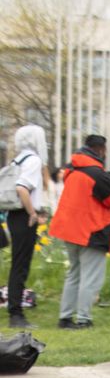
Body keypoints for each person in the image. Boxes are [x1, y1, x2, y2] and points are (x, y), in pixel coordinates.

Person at [48, 135, 110, 329]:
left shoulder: (73, 169)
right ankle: (84, 319)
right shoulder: (97, 173)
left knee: (73, 274)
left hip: (69, 228)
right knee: (90, 278)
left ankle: (65, 317)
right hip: (91, 229)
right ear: (101, 149)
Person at [5, 125, 48, 329]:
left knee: (18, 263)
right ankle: (16, 314)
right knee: (21, 265)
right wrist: (32, 213)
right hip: (24, 216)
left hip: (15, 215)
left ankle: (15, 310)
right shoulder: (33, 160)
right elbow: (22, 188)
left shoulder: (18, 159)